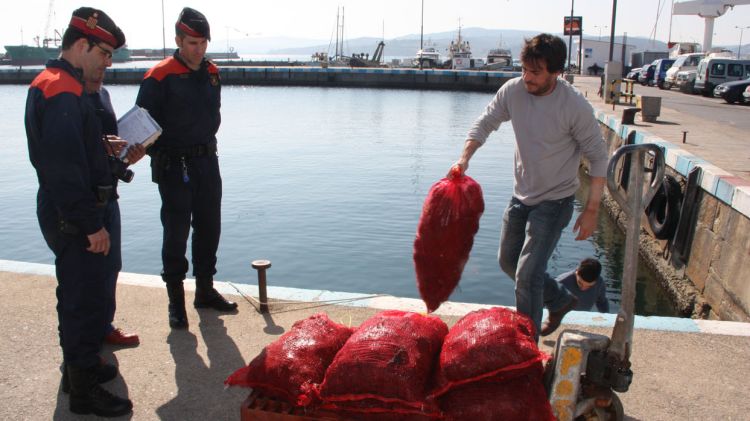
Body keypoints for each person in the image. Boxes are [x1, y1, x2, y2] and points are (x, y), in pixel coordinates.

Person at [451, 33, 608, 340]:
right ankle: (561, 300)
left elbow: (599, 157)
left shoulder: (573, 106)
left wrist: (591, 210)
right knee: (507, 261)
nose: (527, 78)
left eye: (535, 72)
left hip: (556, 200)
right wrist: (464, 159)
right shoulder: (513, 91)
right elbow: (485, 122)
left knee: (528, 274)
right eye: (524, 69)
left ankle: (526, 348)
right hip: (521, 195)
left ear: (556, 73)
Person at [25, 7, 133, 417]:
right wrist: (91, 225)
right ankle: (84, 392)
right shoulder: (63, 92)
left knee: (77, 294)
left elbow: (75, 154)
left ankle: (79, 371)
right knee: (82, 299)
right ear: (83, 44)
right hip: (75, 213)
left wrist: (104, 149)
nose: (108, 62)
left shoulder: (59, 85)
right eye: (104, 53)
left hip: (70, 208)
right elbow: (64, 170)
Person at [136, 7, 236, 330]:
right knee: (176, 232)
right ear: (178, 40)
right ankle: (176, 300)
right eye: (192, 42)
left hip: (207, 161)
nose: (199, 49)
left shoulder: (212, 73)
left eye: (203, 42)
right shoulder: (159, 76)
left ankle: (204, 290)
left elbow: (213, 118)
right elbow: (141, 127)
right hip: (174, 166)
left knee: (210, 227)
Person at [84, 74, 146, 347]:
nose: (107, 64)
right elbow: (61, 153)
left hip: (108, 193)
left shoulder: (103, 95)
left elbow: (110, 145)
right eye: (102, 54)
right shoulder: (67, 98)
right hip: (84, 199)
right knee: (83, 273)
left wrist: (127, 154)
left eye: (110, 56)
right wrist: (100, 145)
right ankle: (82, 347)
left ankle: (103, 326)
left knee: (111, 266)